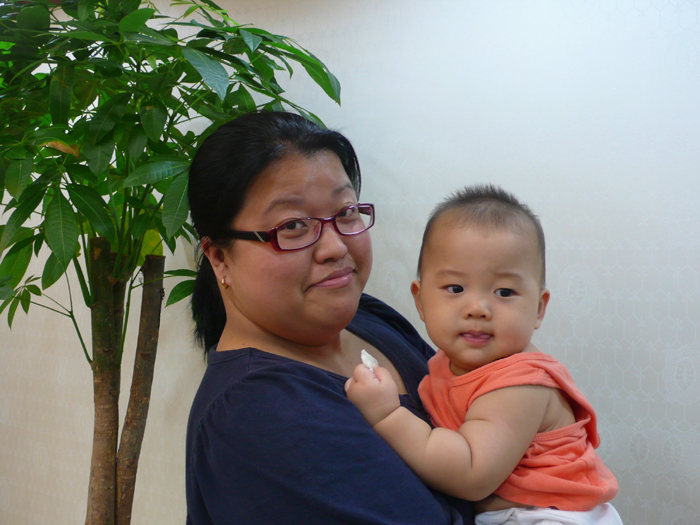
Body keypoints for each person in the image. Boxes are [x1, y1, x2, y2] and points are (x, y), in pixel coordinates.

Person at [185, 111, 475, 524]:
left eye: (346, 212)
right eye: (293, 226)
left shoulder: (368, 317)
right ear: (219, 257)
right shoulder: (258, 412)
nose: (335, 247)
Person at [345, 185, 622, 525]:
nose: (477, 308)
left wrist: (387, 415)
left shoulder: (520, 385)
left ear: (538, 308)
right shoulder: (444, 363)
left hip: (550, 516)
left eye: (504, 292)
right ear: (420, 300)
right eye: (455, 288)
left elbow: (471, 473)